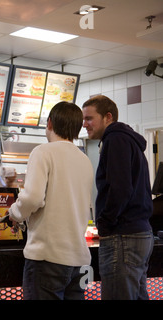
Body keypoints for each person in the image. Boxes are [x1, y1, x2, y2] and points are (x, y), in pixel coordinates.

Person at [6, 101, 94, 300]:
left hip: (48, 258)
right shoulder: (84, 159)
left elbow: (32, 198)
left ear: (50, 123)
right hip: (79, 262)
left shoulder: (43, 152)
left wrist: (14, 214)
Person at [82, 94, 154, 300]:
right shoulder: (127, 140)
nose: (84, 124)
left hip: (123, 235)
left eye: (89, 118)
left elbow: (120, 189)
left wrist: (104, 223)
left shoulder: (115, 139)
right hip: (138, 233)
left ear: (108, 117)